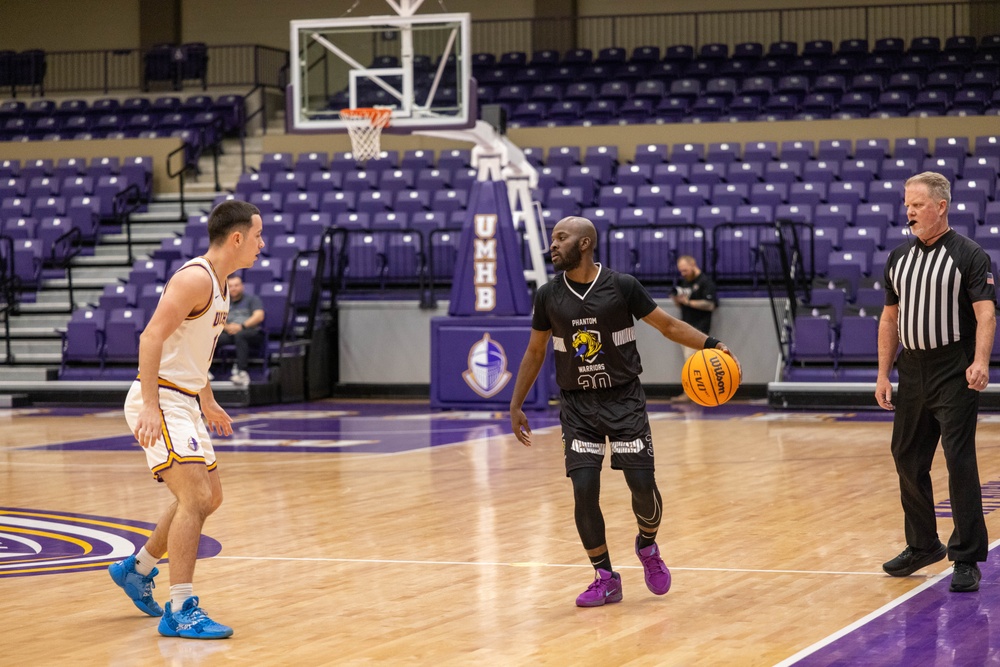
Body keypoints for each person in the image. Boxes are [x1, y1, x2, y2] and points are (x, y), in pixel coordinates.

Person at [509, 215, 740, 607]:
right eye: (553, 238)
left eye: (561, 238)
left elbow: (667, 325)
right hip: (578, 405)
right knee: (584, 491)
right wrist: (515, 403)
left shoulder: (622, 286)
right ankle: (604, 576)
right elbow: (535, 351)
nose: (554, 244)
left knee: (643, 488)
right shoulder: (548, 295)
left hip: (623, 400)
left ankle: (647, 546)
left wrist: (712, 344)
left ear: (584, 244)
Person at [109, 200, 264, 638]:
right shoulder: (195, 278)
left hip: (185, 398)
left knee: (207, 498)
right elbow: (151, 337)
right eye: (257, 236)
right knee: (195, 498)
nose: (261, 244)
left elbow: (193, 351)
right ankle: (180, 609)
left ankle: (136, 570)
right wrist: (152, 406)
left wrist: (207, 397)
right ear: (236, 238)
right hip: (161, 398)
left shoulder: (222, 284)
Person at [875, 172, 995, 593]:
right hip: (912, 368)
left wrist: (981, 361)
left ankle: (966, 557)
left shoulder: (969, 254)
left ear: (940, 207)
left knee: (958, 460)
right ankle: (923, 543)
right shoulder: (898, 258)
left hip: (953, 368)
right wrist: (882, 373)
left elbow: (985, 314)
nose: (908, 211)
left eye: (917, 204)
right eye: (906, 204)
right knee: (906, 455)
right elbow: (890, 318)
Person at [216, 274, 265, 386]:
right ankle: (204, 371)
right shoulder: (223, 301)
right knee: (211, 337)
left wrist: (241, 326)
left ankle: (242, 371)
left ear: (242, 286)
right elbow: (217, 318)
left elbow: (259, 316)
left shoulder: (252, 299)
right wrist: (227, 327)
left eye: (236, 285)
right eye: (231, 286)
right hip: (230, 332)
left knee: (241, 335)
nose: (234, 288)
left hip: (250, 332)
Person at [671, 255, 718, 339]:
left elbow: (710, 305)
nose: (683, 274)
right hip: (685, 328)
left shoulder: (705, 281)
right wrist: (677, 300)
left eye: (685, 270)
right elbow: (680, 305)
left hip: (700, 330)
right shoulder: (685, 282)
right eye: (681, 271)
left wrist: (688, 302)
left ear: (693, 265)